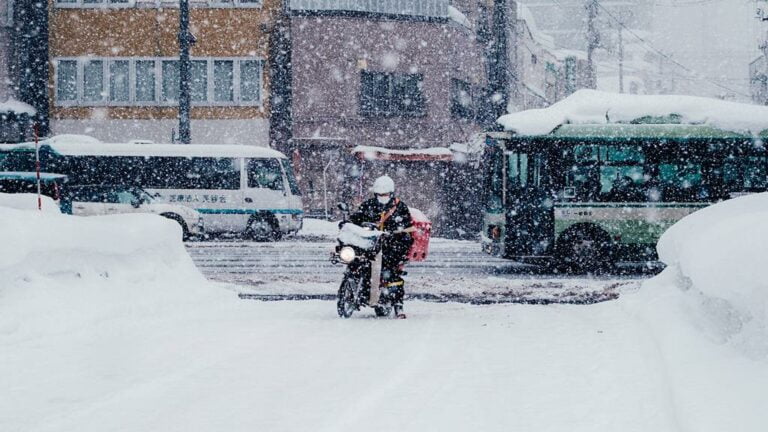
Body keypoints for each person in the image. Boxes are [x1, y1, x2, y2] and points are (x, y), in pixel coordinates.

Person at [349, 175, 413, 319]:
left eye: (385, 195)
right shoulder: (369, 205)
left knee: (390, 271)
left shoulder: (400, 207)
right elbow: (357, 218)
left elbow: (408, 229)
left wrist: (395, 234)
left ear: (391, 193)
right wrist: (348, 223)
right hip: (371, 243)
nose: (382, 197)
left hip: (393, 245)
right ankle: (359, 290)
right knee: (357, 260)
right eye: (379, 195)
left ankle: (398, 304)